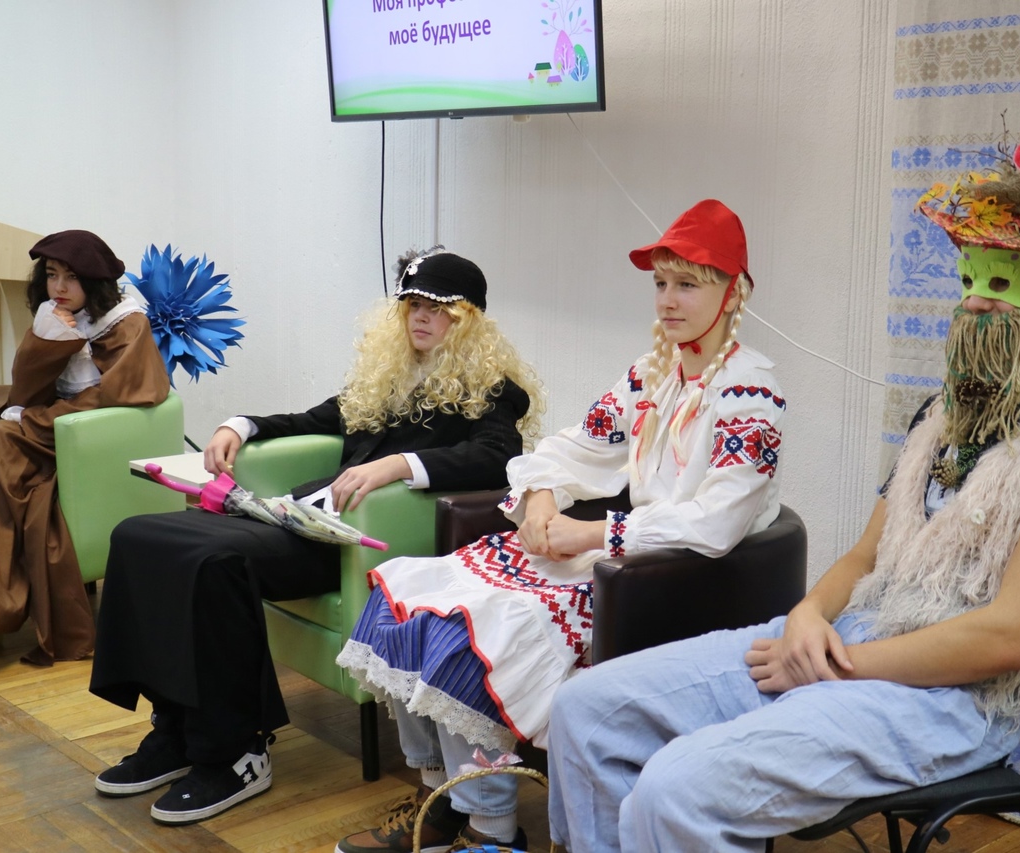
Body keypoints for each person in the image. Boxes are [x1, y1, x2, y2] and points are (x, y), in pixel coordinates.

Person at [544, 131, 1020, 852]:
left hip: (951, 700)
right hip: (853, 640)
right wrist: (808, 616)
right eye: (970, 278)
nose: (975, 301)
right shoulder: (940, 418)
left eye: (1005, 282)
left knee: (675, 787)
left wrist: (832, 664)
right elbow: (868, 556)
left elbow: (1010, 636)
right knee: (585, 709)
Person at [336, 199, 787, 853]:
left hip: (678, 579)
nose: (667, 299)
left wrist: (592, 534)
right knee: (407, 591)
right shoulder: (652, 374)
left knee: (473, 632)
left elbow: (716, 522)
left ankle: (491, 829)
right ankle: (440, 800)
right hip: (623, 557)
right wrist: (542, 499)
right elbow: (572, 447)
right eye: (661, 282)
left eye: (688, 283)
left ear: (733, 291)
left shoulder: (751, 393)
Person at [87, 248, 543, 826]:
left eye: (439, 308)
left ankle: (236, 753)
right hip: (300, 518)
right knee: (139, 536)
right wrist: (240, 424)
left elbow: (498, 457)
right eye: (412, 305)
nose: (422, 317)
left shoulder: (492, 388)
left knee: (212, 560)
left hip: (351, 542)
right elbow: (313, 421)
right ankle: (174, 730)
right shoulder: (388, 377)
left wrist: (398, 465)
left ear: (468, 319)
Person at [0, 230, 170, 665]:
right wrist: (45, 339)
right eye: (51, 275)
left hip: (86, 442)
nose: (59, 287)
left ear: (93, 281)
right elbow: (26, 389)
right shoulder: (57, 315)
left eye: (71, 277)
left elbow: (115, 397)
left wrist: (34, 419)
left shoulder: (127, 323)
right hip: (51, 431)